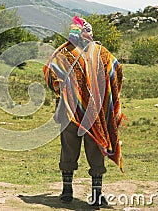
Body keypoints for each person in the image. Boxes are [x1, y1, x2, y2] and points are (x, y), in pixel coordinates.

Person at [43, 16, 125, 207]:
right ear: (85, 33)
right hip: (94, 114)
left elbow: (49, 73)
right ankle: (95, 195)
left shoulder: (63, 53)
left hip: (69, 112)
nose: (89, 34)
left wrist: (62, 92)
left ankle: (67, 192)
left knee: (69, 149)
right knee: (95, 149)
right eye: (88, 31)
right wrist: (109, 96)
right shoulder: (101, 53)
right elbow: (117, 72)